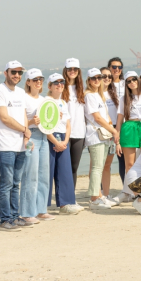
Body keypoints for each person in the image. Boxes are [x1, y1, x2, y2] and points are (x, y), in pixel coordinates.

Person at [0, 61, 31, 230]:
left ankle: (15, 216)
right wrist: (24, 130)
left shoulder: (21, 92)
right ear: (5, 73)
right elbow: (4, 118)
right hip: (4, 144)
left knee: (16, 182)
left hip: (20, 143)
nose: (17, 75)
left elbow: (23, 115)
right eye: (13, 72)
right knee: (6, 183)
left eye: (20, 73)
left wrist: (26, 135)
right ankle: (5, 219)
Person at [45, 73, 82, 214]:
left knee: (64, 172)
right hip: (51, 138)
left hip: (63, 139)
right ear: (50, 86)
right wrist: (55, 142)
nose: (59, 85)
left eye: (62, 82)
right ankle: (44, 205)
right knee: (48, 172)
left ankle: (65, 203)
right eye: (56, 83)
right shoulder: (46, 101)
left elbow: (67, 124)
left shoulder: (63, 102)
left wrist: (65, 141)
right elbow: (44, 126)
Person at [84, 68, 120, 209]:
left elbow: (105, 116)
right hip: (95, 135)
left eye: (99, 77)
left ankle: (99, 195)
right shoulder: (89, 96)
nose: (97, 80)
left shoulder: (98, 95)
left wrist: (112, 131)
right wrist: (113, 130)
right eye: (94, 78)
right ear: (89, 80)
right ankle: (94, 198)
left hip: (104, 135)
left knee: (100, 166)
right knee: (97, 167)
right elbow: (97, 117)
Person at [20, 68, 52, 224]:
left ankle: (41, 210)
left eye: (41, 79)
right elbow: (21, 121)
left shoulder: (44, 99)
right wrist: (32, 122)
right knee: (30, 175)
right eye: (35, 79)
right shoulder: (24, 98)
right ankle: (27, 213)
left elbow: (49, 120)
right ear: (28, 82)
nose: (39, 82)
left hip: (44, 137)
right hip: (31, 136)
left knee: (44, 175)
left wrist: (54, 118)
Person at [61, 58, 86, 188]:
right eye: (70, 69)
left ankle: (71, 196)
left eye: (75, 69)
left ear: (78, 71)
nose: (72, 71)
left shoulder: (82, 89)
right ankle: (64, 196)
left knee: (74, 167)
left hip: (79, 132)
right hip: (64, 133)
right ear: (66, 70)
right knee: (64, 167)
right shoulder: (60, 87)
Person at [100, 66, 121, 191]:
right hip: (100, 130)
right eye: (104, 76)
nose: (107, 78)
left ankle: (106, 193)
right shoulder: (94, 94)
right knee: (98, 165)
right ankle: (97, 193)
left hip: (113, 130)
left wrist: (116, 131)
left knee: (107, 164)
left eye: (109, 76)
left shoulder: (113, 93)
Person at [107, 56, 126, 184]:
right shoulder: (105, 84)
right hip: (108, 125)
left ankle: (126, 187)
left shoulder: (126, 84)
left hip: (124, 125)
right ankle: (102, 190)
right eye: (114, 67)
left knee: (123, 158)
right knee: (106, 159)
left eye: (119, 67)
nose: (117, 69)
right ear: (109, 68)